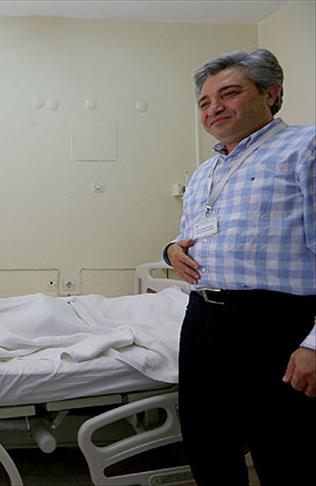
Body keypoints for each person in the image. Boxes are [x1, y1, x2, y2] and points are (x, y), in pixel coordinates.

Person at [163, 49, 315, 485]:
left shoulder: (305, 148)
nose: (214, 108)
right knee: (207, 446)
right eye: (204, 102)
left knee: (286, 454)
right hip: (203, 321)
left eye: (229, 93)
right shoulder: (204, 172)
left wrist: (315, 344)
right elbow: (190, 236)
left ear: (271, 93)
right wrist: (171, 251)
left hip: (277, 325)